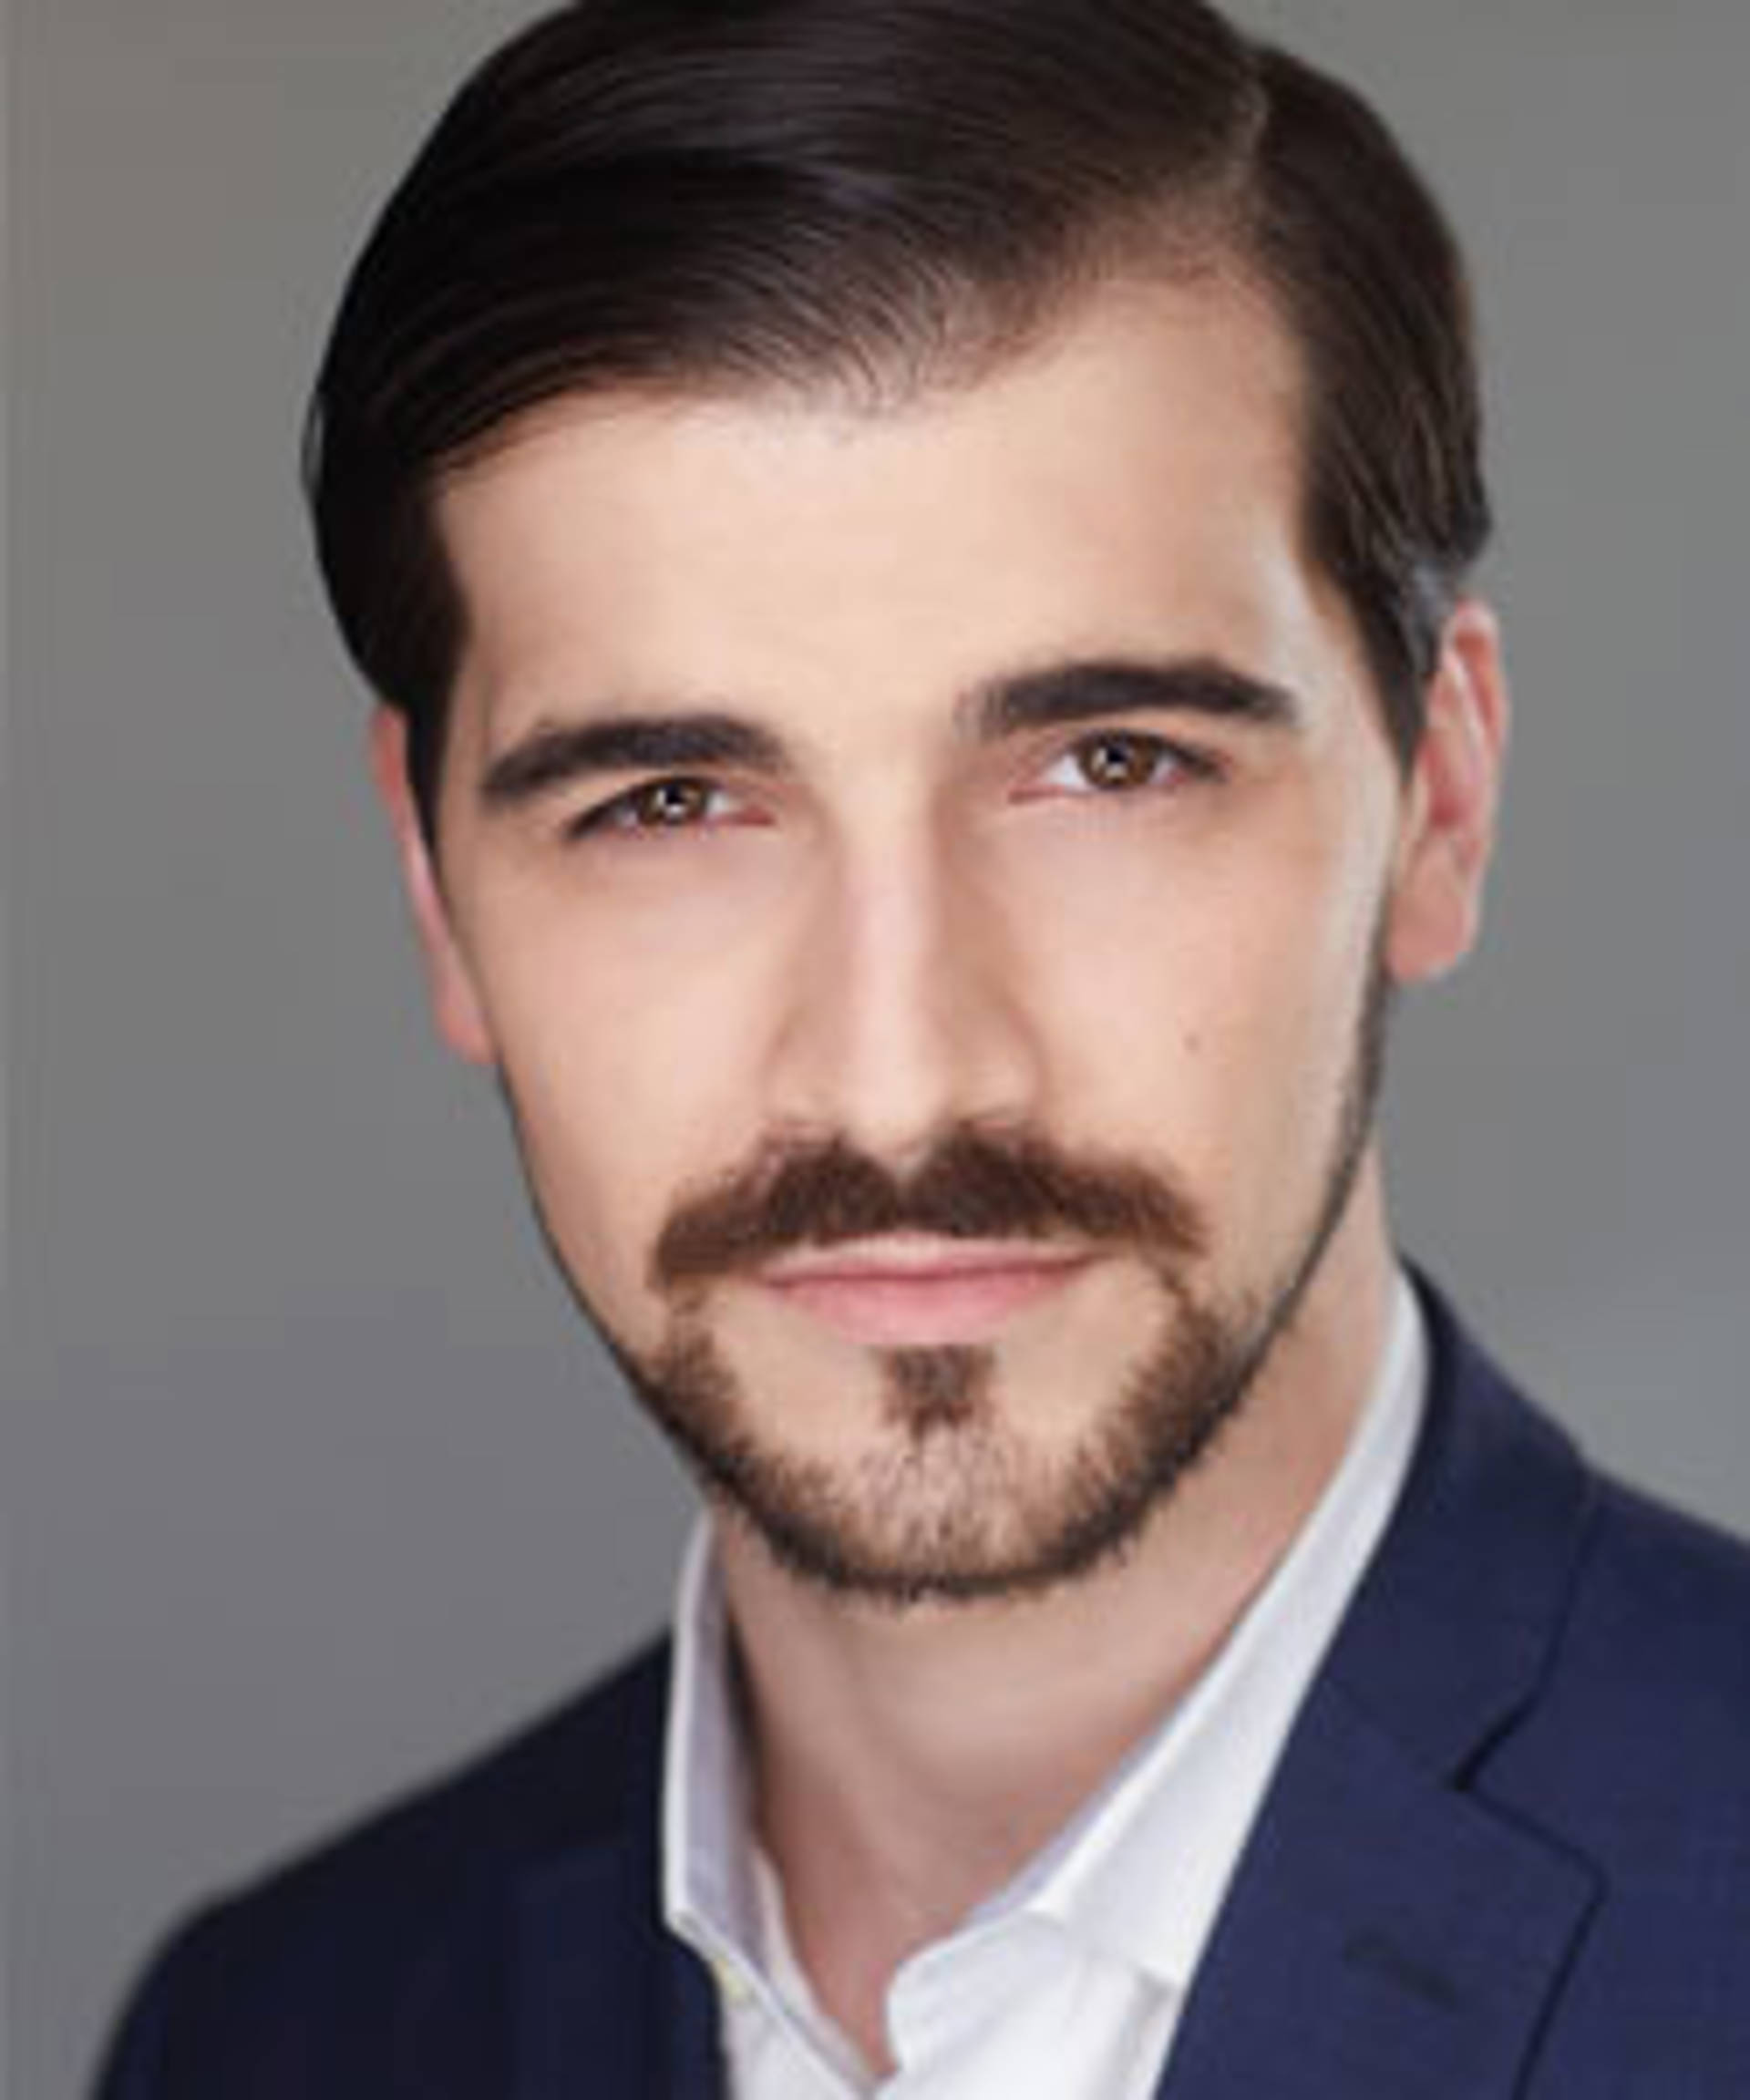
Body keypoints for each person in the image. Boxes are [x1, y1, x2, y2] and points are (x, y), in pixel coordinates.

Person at [95, 1, 1750, 2094]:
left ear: (1441, 798)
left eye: (1110, 762)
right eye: (670, 804)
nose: (900, 1079)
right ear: (440, 895)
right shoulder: (281, 2034)